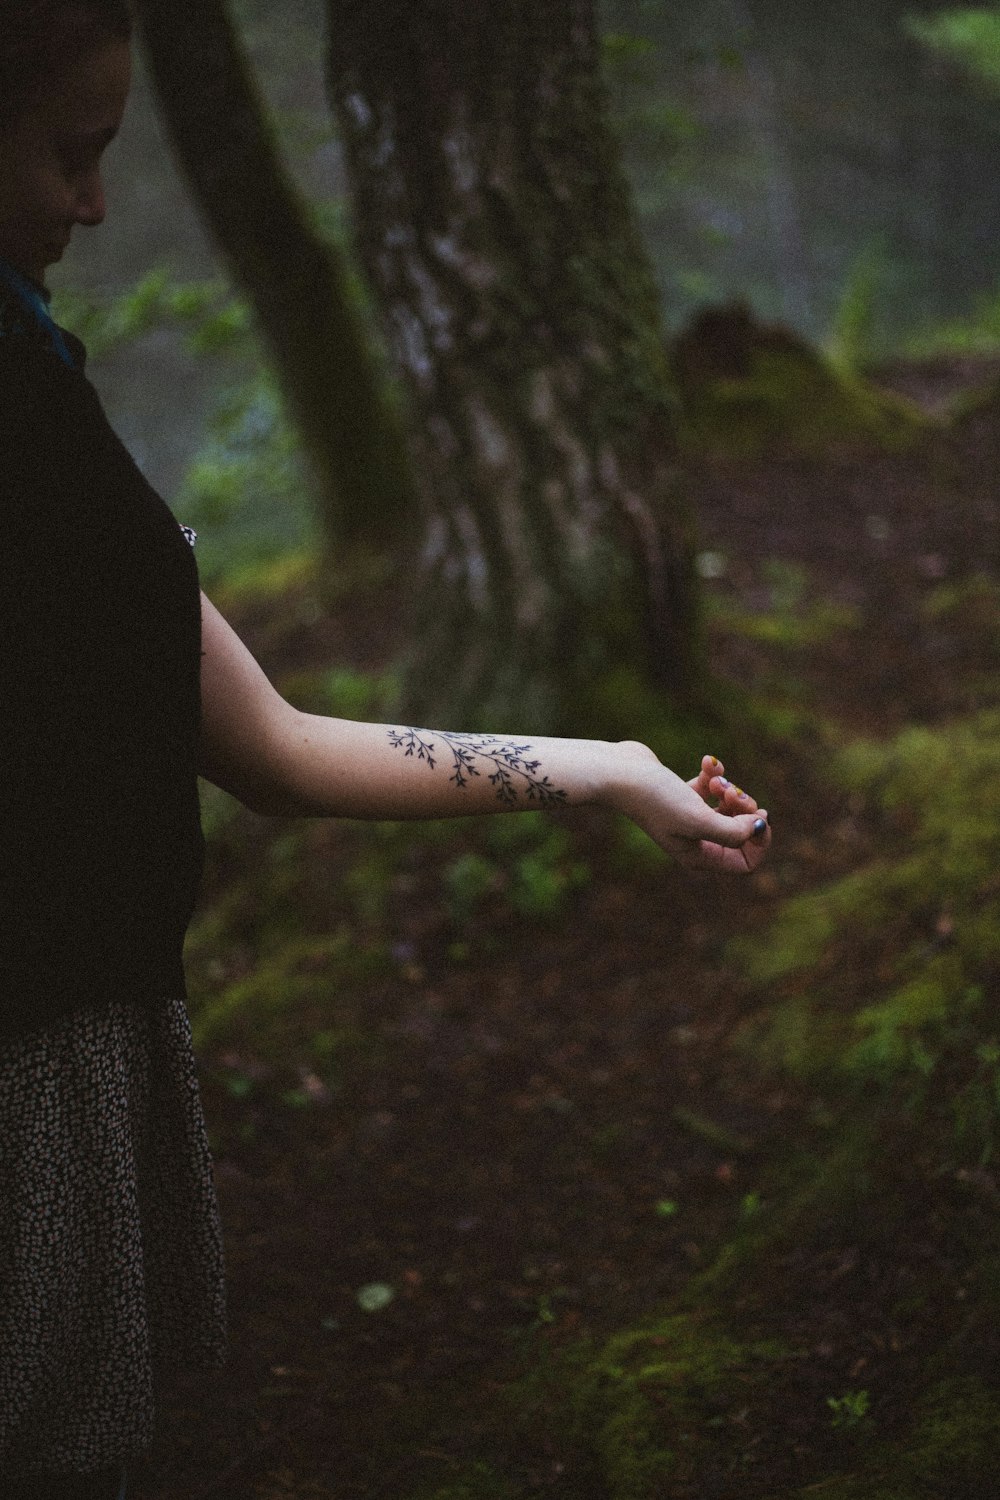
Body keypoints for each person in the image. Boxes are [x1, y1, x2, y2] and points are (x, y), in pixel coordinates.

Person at [0, 3, 772, 1496]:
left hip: (75, 1052)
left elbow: (273, 746)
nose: (94, 202)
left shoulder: (44, 396)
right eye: (66, 154)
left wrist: (613, 768)